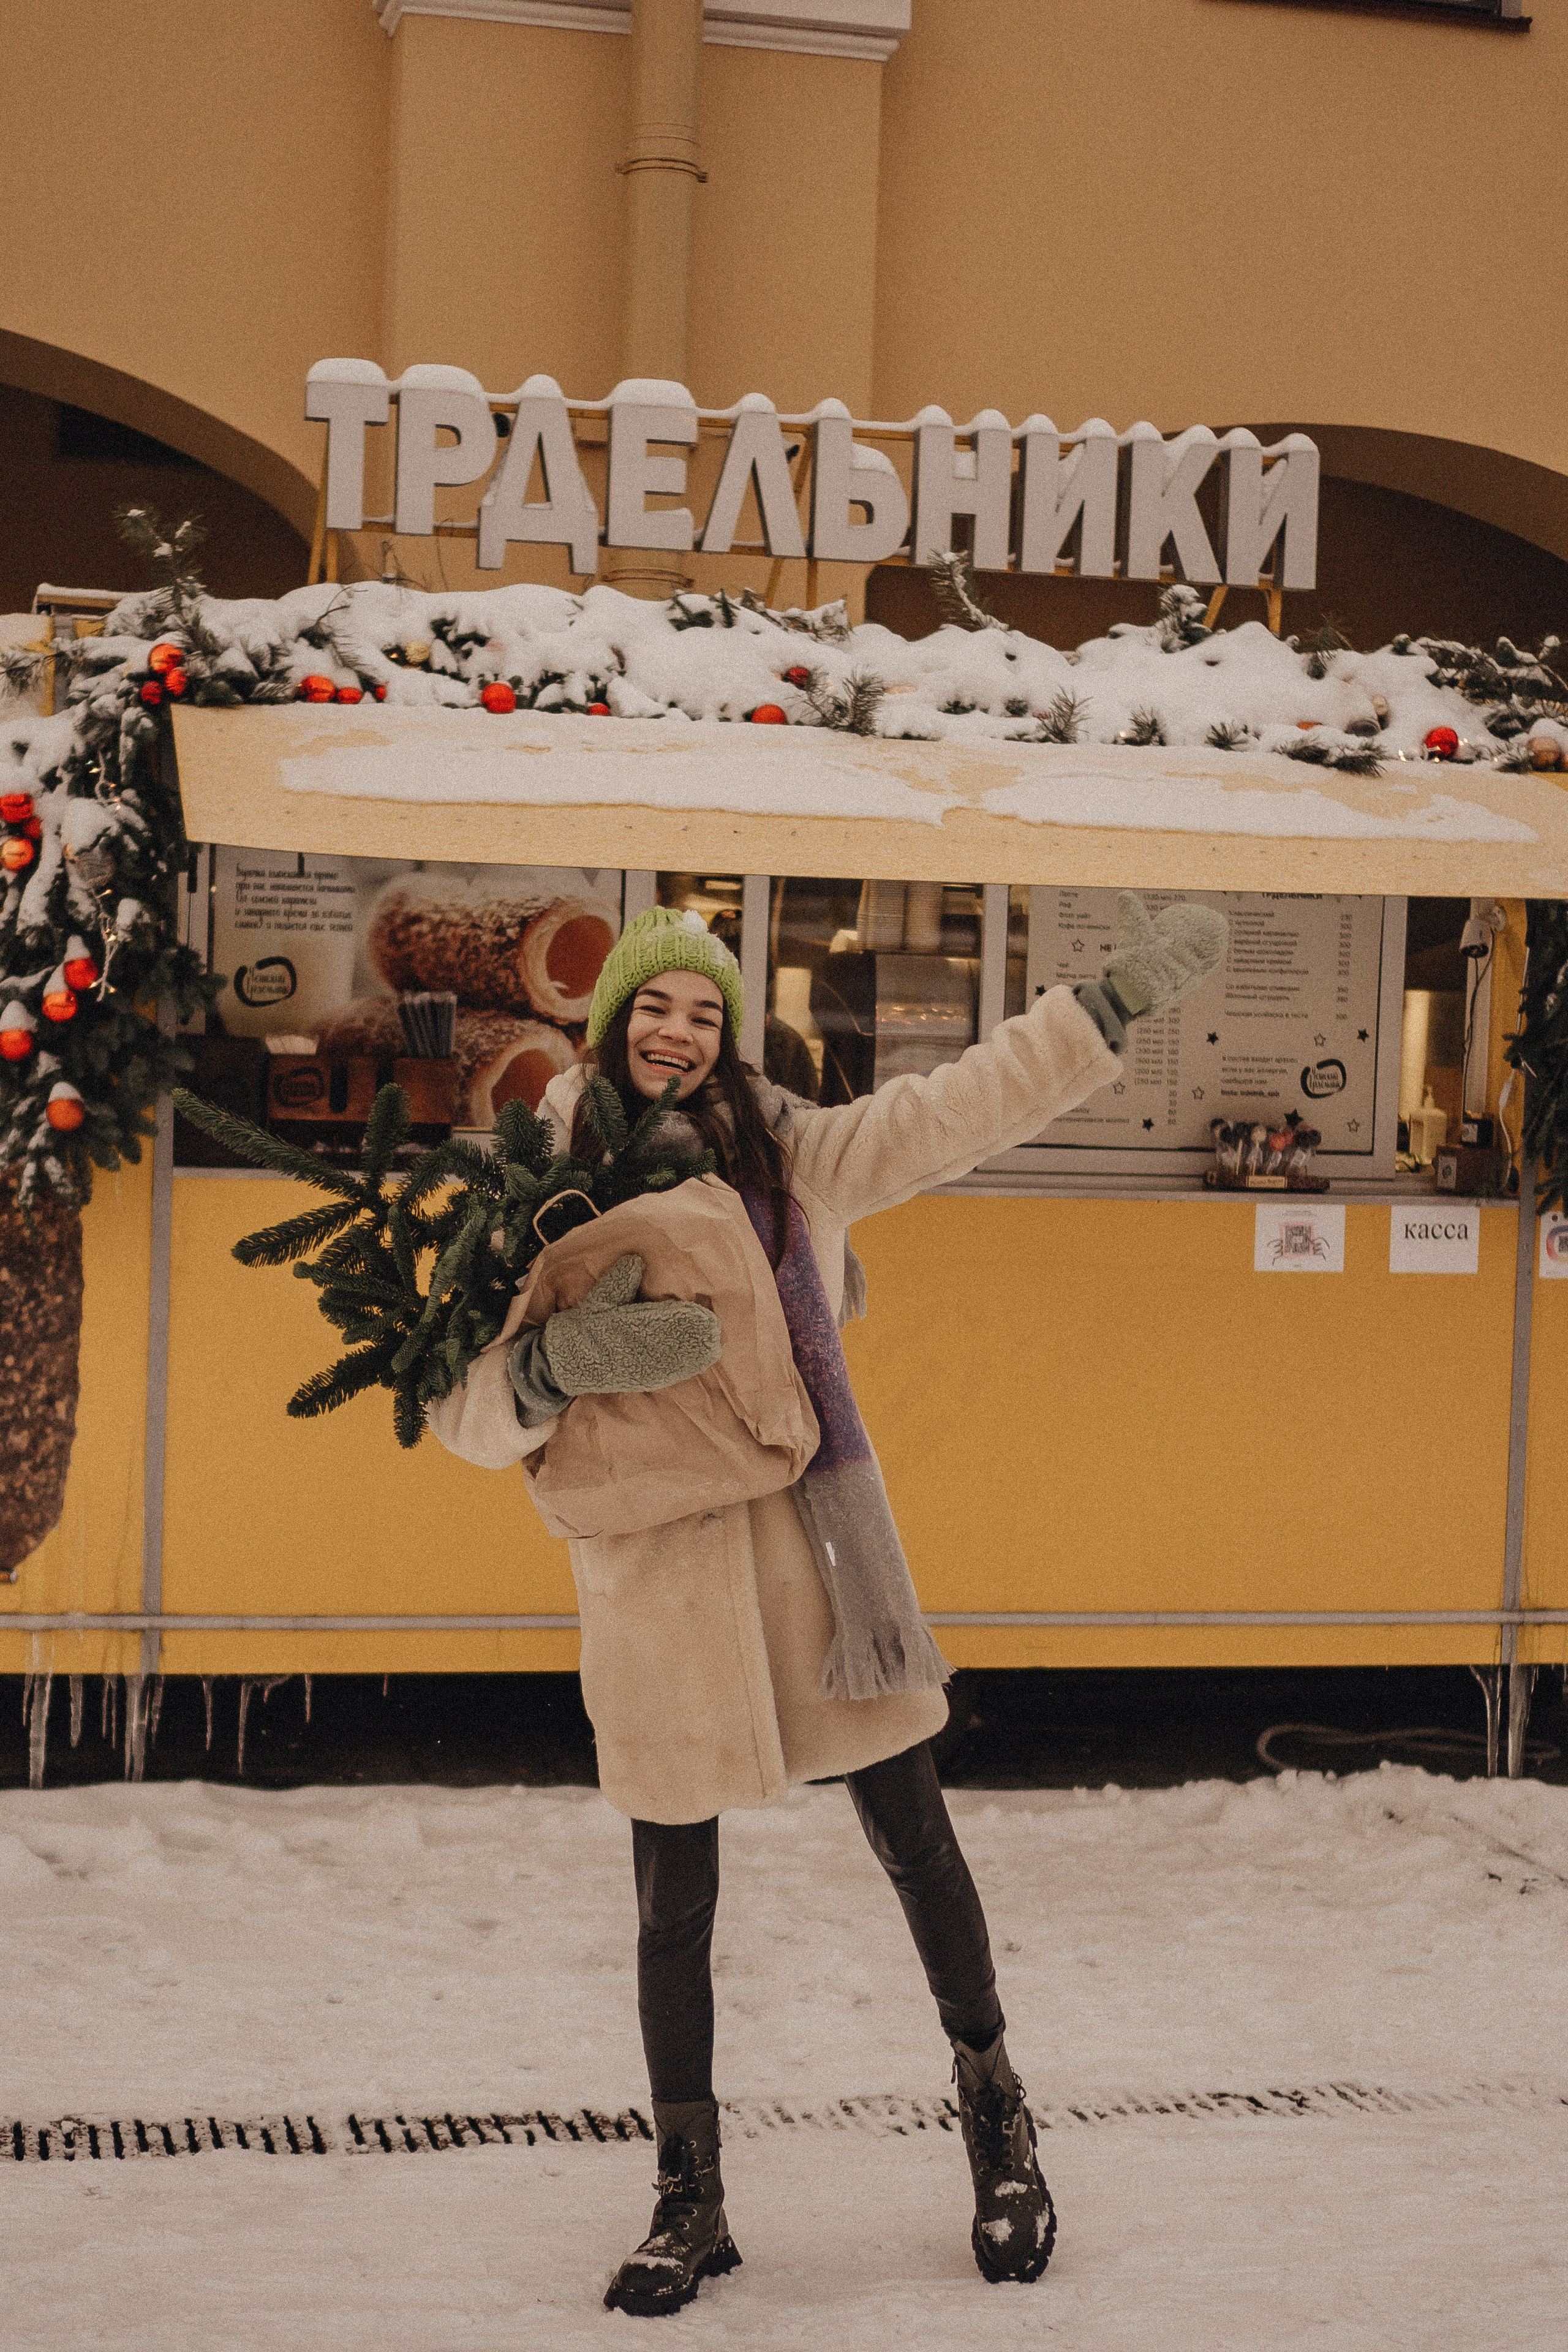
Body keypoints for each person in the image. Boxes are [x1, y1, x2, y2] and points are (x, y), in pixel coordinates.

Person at [430, 893, 1227, 2316]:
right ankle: (690, 2196)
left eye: (703, 1013)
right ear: (607, 1024)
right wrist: (552, 1371)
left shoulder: (787, 1155)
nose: (676, 1034)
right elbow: (458, 1406)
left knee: (916, 1840)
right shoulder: (529, 1179)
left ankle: (998, 2125)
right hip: (654, 1585)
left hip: (819, 1560)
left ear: (728, 1038)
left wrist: (1096, 1010)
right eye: (652, 1008)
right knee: (673, 1904)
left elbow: (953, 1107)